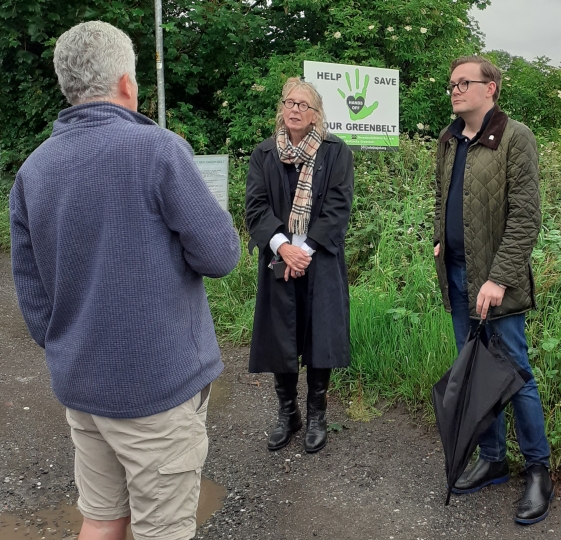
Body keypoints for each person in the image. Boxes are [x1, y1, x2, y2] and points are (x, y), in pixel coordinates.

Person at [9, 21, 240, 540]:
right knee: (163, 529)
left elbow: (33, 298)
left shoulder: (33, 171)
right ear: (127, 84)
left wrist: (75, 348)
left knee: (100, 518)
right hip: (155, 390)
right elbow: (221, 255)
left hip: (82, 387)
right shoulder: (159, 150)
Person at [433, 56, 553, 524]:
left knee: (514, 372)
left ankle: (538, 470)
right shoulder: (448, 139)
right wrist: (440, 239)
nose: (456, 90)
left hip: (495, 282)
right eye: (452, 84)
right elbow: (440, 196)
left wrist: (498, 278)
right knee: (475, 370)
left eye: (465, 83)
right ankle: (492, 459)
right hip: (457, 275)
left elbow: (526, 217)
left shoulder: (514, 137)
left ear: (492, 89)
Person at [245, 77, 354, 454]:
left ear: (316, 114)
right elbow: (256, 207)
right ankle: (287, 413)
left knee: (319, 336)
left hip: (319, 258)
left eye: (303, 105)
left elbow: (339, 207)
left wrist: (303, 250)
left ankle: (318, 415)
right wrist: (282, 247)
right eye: (289, 102)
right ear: (281, 108)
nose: (294, 109)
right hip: (278, 260)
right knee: (281, 336)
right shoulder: (264, 154)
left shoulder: (336, 152)